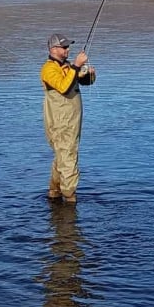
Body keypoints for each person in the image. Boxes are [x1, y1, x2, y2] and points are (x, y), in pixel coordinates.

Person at [41, 33, 94, 203]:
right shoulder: (48, 69)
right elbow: (63, 87)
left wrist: (88, 74)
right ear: (53, 49)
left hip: (71, 122)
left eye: (68, 47)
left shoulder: (67, 67)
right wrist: (76, 66)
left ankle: (55, 193)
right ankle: (70, 199)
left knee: (62, 157)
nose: (68, 50)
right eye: (64, 47)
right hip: (60, 124)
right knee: (68, 157)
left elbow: (82, 82)